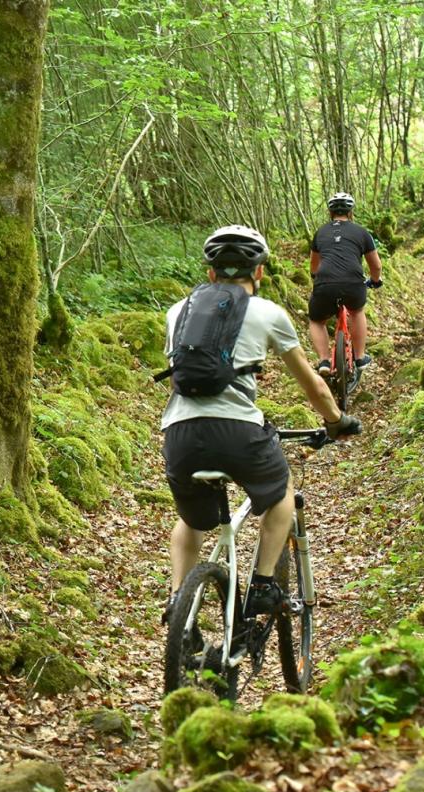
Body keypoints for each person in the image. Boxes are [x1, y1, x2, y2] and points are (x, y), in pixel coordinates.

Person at [161, 224, 361, 621]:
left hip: (180, 434)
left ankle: (178, 609)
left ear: (211, 273)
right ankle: (264, 585)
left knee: (190, 521)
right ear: (260, 273)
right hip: (239, 432)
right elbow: (313, 384)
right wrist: (336, 420)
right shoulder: (269, 313)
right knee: (281, 492)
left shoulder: (176, 312)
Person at [308, 192, 383, 376]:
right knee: (357, 312)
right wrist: (375, 280)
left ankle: (324, 361)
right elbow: (376, 265)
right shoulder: (361, 232)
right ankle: (359, 357)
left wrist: (315, 278)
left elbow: (313, 264)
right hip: (353, 283)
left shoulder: (320, 232)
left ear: (330, 212)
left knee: (317, 321)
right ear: (350, 212)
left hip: (325, 283)